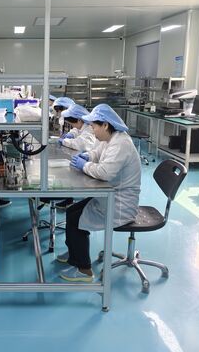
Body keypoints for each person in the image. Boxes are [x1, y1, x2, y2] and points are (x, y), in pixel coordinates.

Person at [56, 104, 141, 282]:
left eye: (94, 126)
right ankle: (74, 253)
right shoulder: (110, 139)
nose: (92, 130)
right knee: (72, 211)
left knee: (76, 220)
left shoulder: (121, 144)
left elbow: (104, 172)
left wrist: (84, 165)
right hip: (109, 195)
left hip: (120, 205)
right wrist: (88, 156)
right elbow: (97, 152)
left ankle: (84, 270)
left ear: (105, 125)